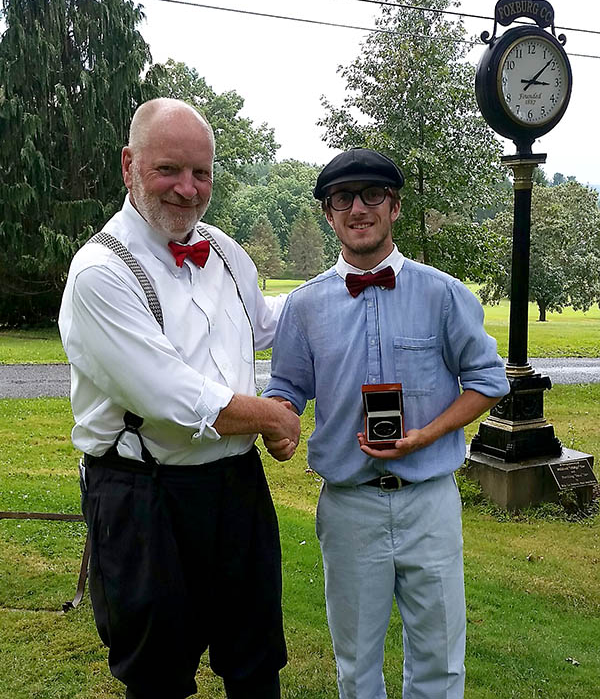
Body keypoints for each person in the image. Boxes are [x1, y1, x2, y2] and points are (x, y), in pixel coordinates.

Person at [58, 98, 300, 699]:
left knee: (255, 661)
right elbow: (175, 396)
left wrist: (357, 277)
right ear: (129, 166)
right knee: (158, 675)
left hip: (237, 489)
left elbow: (273, 327)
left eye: (201, 174)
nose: (187, 189)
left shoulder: (220, 248)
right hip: (145, 496)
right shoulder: (99, 272)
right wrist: (273, 415)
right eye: (169, 169)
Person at [263, 148, 510, 699]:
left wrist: (428, 433)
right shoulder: (303, 307)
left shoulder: (443, 295)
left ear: (394, 207)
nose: (358, 208)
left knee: (440, 662)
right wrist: (279, 424)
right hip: (349, 505)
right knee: (355, 663)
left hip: (429, 501)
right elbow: (287, 389)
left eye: (372, 195)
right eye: (342, 199)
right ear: (329, 215)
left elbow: (487, 380)